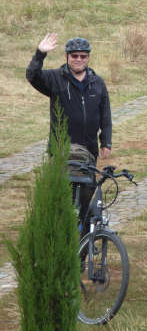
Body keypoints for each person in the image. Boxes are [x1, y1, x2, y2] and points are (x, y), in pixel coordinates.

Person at [26, 33, 112, 226]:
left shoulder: (97, 83)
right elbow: (32, 76)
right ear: (67, 57)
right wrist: (40, 54)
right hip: (61, 151)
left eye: (83, 56)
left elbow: (105, 114)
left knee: (84, 199)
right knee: (62, 200)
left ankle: (81, 244)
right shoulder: (55, 79)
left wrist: (106, 141)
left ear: (88, 57)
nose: (79, 59)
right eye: (74, 56)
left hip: (89, 152)